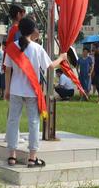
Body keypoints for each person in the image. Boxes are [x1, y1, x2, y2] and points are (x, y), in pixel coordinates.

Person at [4, 17, 67, 167]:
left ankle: (12, 156)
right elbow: (50, 66)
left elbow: (7, 70)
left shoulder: (12, 47)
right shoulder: (37, 48)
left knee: (13, 121)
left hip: (15, 89)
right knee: (33, 122)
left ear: (20, 30)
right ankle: (32, 157)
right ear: (33, 31)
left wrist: (7, 89)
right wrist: (61, 57)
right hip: (32, 91)